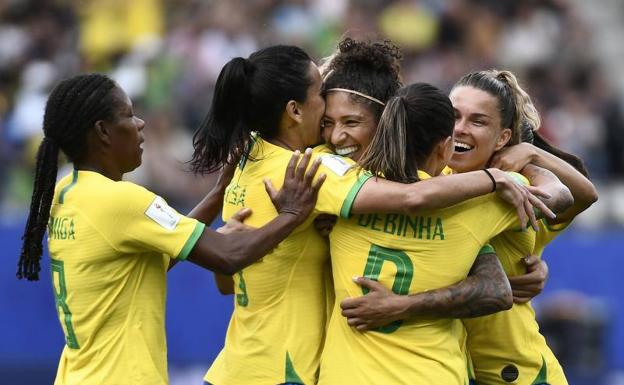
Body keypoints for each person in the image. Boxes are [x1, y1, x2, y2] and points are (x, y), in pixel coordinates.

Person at [191, 45, 552, 385]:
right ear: (294, 110)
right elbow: (414, 199)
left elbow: (495, 284)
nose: (335, 135)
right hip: (283, 369)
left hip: (263, 367)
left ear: (385, 122)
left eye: (351, 121)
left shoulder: (261, 161)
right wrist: (498, 175)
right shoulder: (316, 172)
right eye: (327, 116)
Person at [17, 73, 327, 385]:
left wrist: (218, 193)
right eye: (128, 115)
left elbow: (154, 257)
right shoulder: (120, 201)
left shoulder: (66, 191)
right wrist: (290, 214)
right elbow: (228, 256)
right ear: (103, 132)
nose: (140, 123)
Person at [339, 70, 597, 385]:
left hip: (517, 373)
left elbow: (578, 195)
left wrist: (531, 154)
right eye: (454, 116)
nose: (460, 129)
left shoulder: (511, 190)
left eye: (478, 121)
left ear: (503, 138)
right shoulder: (432, 178)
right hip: (455, 368)